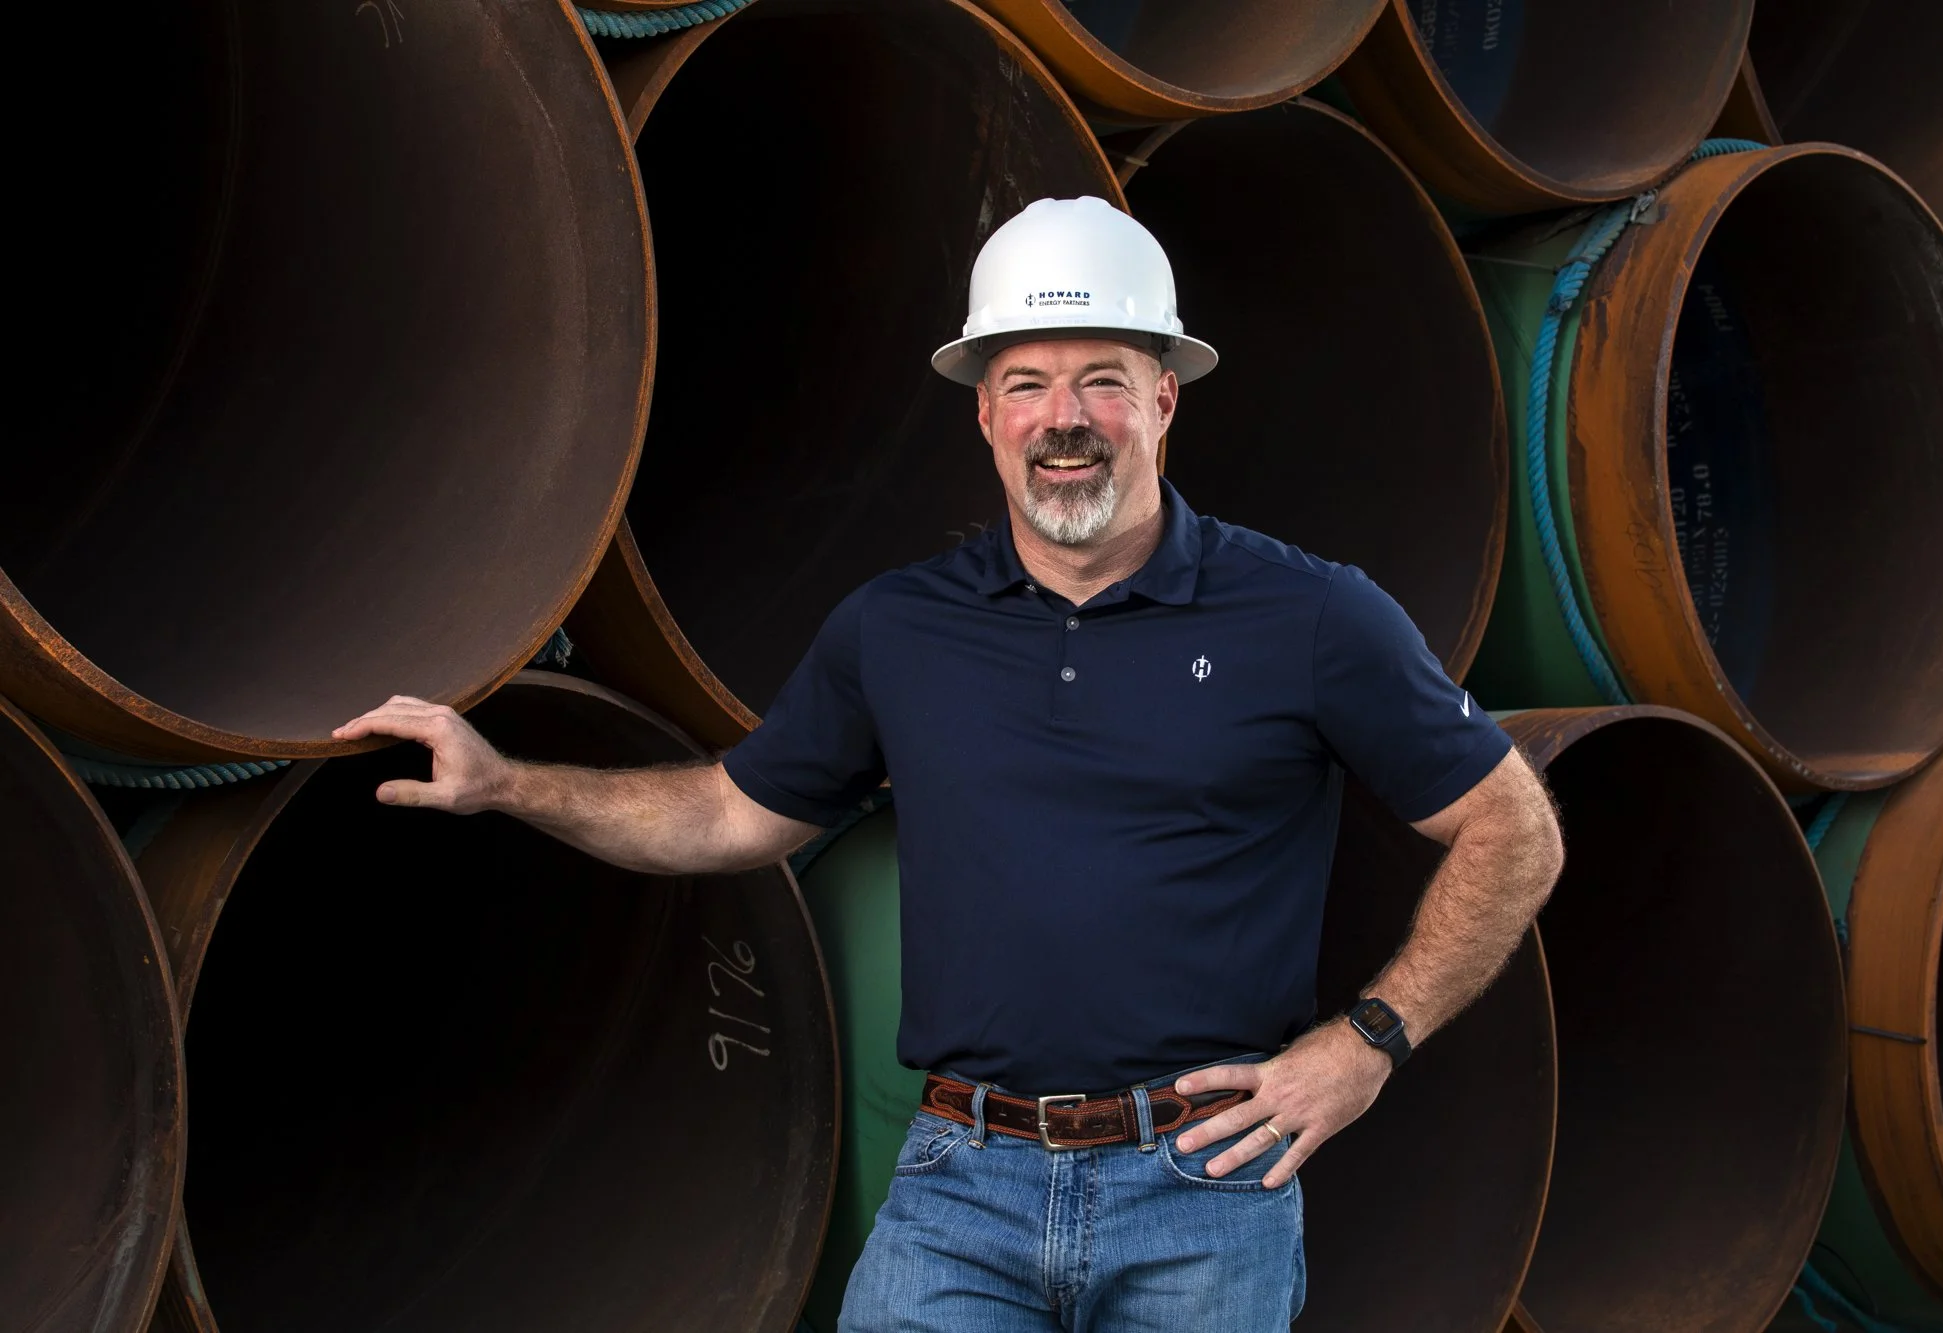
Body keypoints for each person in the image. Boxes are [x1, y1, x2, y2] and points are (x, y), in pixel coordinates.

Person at [335, 195, 1564, 1331]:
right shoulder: (897, 628)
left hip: (1203, 1182)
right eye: (1024, 383)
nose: (1063, 418)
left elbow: (1515, 828)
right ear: (982, 412)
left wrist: (1366, 1043)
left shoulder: (1308, 616)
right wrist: (507, 781)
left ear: (1164, 399)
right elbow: (727, 810)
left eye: (1102, 380)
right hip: (960, 1185)